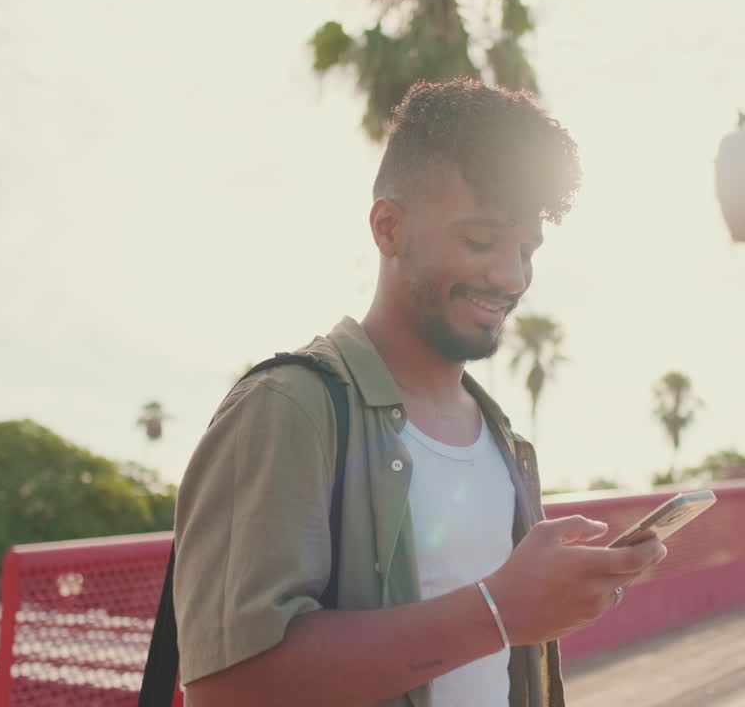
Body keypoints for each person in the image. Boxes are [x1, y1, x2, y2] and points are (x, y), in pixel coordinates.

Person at [172, 79, 668, 707]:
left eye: (525, 250)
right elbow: (226, 689)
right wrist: (496, 614)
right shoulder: (289, 407)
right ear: (388, 228)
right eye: (482, 241)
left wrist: (546, 603)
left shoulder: (503, 439)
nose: (511, 277)